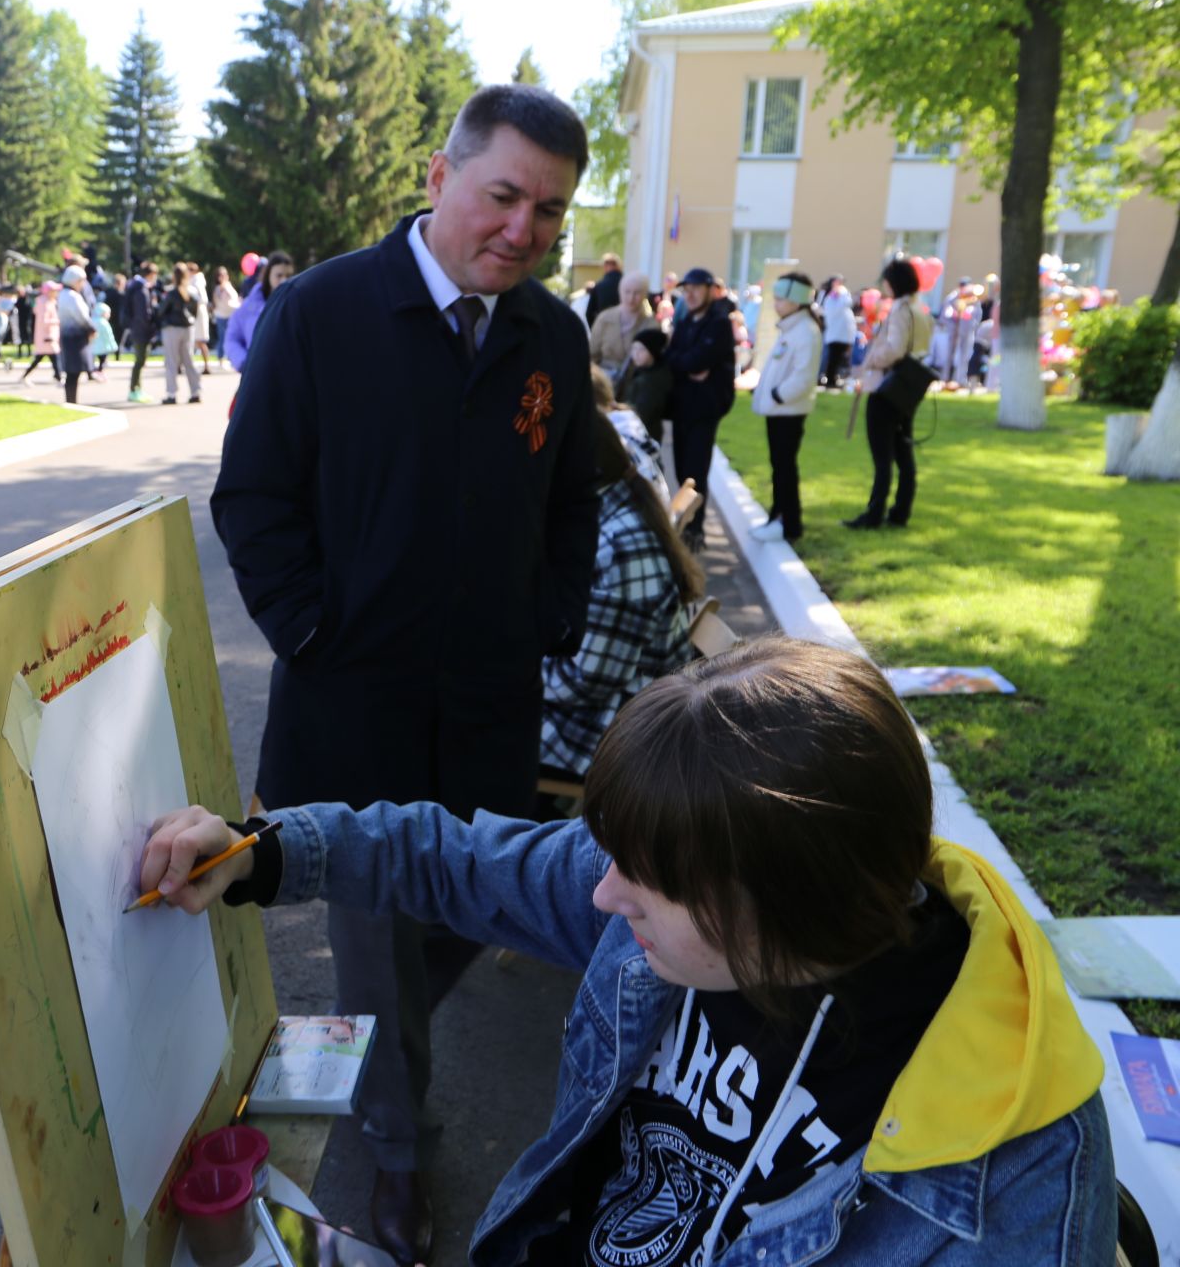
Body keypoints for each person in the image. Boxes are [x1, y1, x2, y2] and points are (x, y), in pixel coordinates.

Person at [139, 636, 1116, 1267]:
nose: (604, 895)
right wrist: (261, 855)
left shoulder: (1019, 1180)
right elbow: (456, 857)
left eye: (642, 882)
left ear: (783, 907)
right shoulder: (706, 877)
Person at [211, 83, 601, 1263]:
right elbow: (252, 496)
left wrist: (552, 616)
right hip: (353, 712)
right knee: (377, 931)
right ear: (440, 177)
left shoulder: (552, 334)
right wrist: (317, 635)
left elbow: (571, 497)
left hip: (490, 707)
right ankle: (395, 1155)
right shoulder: (323, 311)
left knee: (472, 911)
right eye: (503, 195)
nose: (523, 229)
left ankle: (370, 1050)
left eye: (549, 210)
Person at [536, 415, 702, 794]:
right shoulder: (614, 513)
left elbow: (585, 683)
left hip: (616, 733)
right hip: (615, 712)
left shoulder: (621, 544)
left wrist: (511, 672)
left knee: (462, 731)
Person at [846, 258, 934, 530]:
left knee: (883, 456)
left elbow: (894, 349)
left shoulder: (900, 311)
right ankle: (900, 511)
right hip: (908, 386)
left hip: (887, 387)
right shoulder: (920, 310)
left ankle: (874, 514)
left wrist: (871, 361)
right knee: (903, 452)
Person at [663, 267, 738, 548]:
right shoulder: (685, 322)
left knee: (696, 469)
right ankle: (683, 522)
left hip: (705, 408)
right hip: (682, 405)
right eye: (687, 289)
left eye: (696, 288)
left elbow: (696, 360)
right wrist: (688, 364)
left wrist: (688, 363)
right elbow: (674, 358)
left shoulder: (718, 323)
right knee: (682, 467)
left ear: (710, 290)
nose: (690, 294)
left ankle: (695, 527)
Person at [748, 272, 824, 545]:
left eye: (780, 299)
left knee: (784, 468)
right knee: (780, 467)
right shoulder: (793, 328)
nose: (776, 304)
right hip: (780, 410)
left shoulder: (805, 331)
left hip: (788, 412)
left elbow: (803, 378)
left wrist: (777, 395)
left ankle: (788, 523)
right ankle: (778, 517)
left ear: (796, 301)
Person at [222, 249, 293, 376]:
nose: (284, 280)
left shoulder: (296, 306)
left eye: (288, 276)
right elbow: (232, 339)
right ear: (268, 275)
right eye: (279, 275)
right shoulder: (248, 307)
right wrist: (245, 362)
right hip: (258, 378)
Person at [587, 271, 652, 378]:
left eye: (637, 293)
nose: (631, 298)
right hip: (606, 383)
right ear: (620, 291)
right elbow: (592, 355)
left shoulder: (651, 324)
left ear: (645, 294)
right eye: (627, 292)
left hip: (636, 385)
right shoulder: (604, 318)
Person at [156, 262, 202, 405]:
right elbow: (196, 310)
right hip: (188, 328)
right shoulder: (191, 292)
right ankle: (196, 392)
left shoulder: (171, 293)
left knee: (171, 361)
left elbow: (161, 311)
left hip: (172, 329)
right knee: (189, 360)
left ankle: (171, 394)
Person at [614, 326, 672, 438]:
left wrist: (618, 408)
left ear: (653, 351)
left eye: (641, 350)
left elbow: (642, 413)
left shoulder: (653, 381)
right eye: (634, 349)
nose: (635, 354)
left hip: (644, 434)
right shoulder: (642, 372)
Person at [56, 264, 95, 404]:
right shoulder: (72, 296)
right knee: (74, 373)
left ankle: (71, 401)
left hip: (67, 337)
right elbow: (82, 317)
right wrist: (92, 328)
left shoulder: (62, 295)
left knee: (71, 373)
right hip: (76, 338)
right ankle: (72, 402)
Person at [123, 261, 159, 401]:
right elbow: (142, 313)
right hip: (141, 330)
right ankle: (134, 389)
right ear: (151, 274)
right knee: (140, 361)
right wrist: (150, 328)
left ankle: (137, 388)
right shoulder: (141, 290)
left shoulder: (138, 287)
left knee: (140, 361)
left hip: (138, 329)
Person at [18, 281, 61, 384]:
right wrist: (58, 321)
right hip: (46, 335)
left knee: (42, 358)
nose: (56, 293)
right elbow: (44, 321)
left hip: (49, 335)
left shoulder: (49, 302)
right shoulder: (44, 303)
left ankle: (57, 375)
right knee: (53, 357)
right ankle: (58, 377)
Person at [820, 275, 856, 387]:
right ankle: (830, 379)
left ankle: (831, 378)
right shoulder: (838, 294)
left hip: (836, 332)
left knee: (834, 358)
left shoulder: (831, 296)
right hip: (838, 333)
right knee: (833, 358)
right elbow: (846, 303)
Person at [210, 265, 240, 367]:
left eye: (225, 274)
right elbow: (222, 302)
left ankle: (229, 358)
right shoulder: (219, 289)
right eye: (221, 275)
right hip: (222, 316)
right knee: (223, 338)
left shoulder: (228, 286)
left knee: (230, 338)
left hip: (230, 315)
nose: (224, 276)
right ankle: (221, 358)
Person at [584, 251, 622, 328]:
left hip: (605, 328)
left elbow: (589, 313)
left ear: (605, 266)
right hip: (626, 329)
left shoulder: (599, 286)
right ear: (618, 266)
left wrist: (596, 330)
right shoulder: (627, 283)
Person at [90, 299, 117, 377]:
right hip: (103, 346)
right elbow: (109, 335)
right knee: (102, 360)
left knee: (92, 359)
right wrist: (113, 345)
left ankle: (92, 372)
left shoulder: (91, 320)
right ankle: (100, 371)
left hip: (93, 345)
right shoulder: (104, 323)